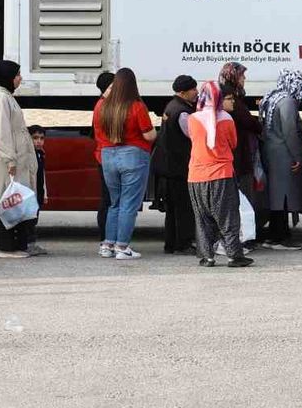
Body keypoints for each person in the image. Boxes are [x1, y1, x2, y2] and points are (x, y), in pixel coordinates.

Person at [187, 81, 253, 268]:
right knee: (227, 217)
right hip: (221, 174)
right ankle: (234, 256)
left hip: (196, 175)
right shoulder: (226, 119)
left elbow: (193, 139)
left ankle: (207, 256)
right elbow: (233, 143)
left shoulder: (193, 119)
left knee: (202, 218)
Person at [92, 68, 155, 260]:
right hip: (133, 155)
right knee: (129, 204)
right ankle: (122, 247)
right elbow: (149, 135)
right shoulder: (136, 106)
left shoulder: (101, 105)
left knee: (115, 203)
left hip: (107, 156)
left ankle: (107, 245)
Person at [0, 60, 40, 259]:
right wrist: (10, 160)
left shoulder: (5, 96)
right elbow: (3, 131)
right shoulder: (0, 98)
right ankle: (9, 247)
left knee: (8, 198)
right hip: (9, 157)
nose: (20, 78)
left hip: (14, 155)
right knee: (11, 200)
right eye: (17, 75)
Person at [259, 69, 302, 250]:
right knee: (284, 196)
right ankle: (280, 237)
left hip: (272, 152)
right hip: (284, 154)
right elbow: (290, 131)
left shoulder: (274, 97)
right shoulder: (287, 101)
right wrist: (298, 156)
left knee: (276, 195)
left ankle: (275, 234)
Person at [219, 62, 264, 243]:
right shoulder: (232, 99)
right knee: (241, 196)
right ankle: (240, 238)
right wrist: (260, 123)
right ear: (233, 77)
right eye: (241, 75)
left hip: (238, 153)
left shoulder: (233, 96)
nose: (244, 78)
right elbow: (248, 121)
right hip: (237, 155)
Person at [156, 75, 198, 254]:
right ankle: (183, 243)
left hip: (169, 166)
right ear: (182, 92)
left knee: (172, 209)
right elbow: (193, 135)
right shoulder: (182, 112)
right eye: (193, 89)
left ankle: (171, 244)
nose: (196, 92)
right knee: (183, 207)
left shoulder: (171, 106)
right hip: (179, 166)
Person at [94, 71, 115, 242]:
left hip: (105, 156)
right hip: (106, 157)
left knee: (108, 200)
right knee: (108, 200)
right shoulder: (104, 107)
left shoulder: (104, 105)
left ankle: (107, 237)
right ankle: (106, 238)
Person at [27, 125, 49, 256]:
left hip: (38, 192)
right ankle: (28, 243)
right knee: (29, 220)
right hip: (31, 193)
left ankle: (31, 243)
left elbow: (42, 176)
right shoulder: (28, 156)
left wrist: (45, 193)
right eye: (35, 138)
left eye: (41, 138)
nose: (39, 141)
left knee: (34, 218)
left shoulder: (41, 154)